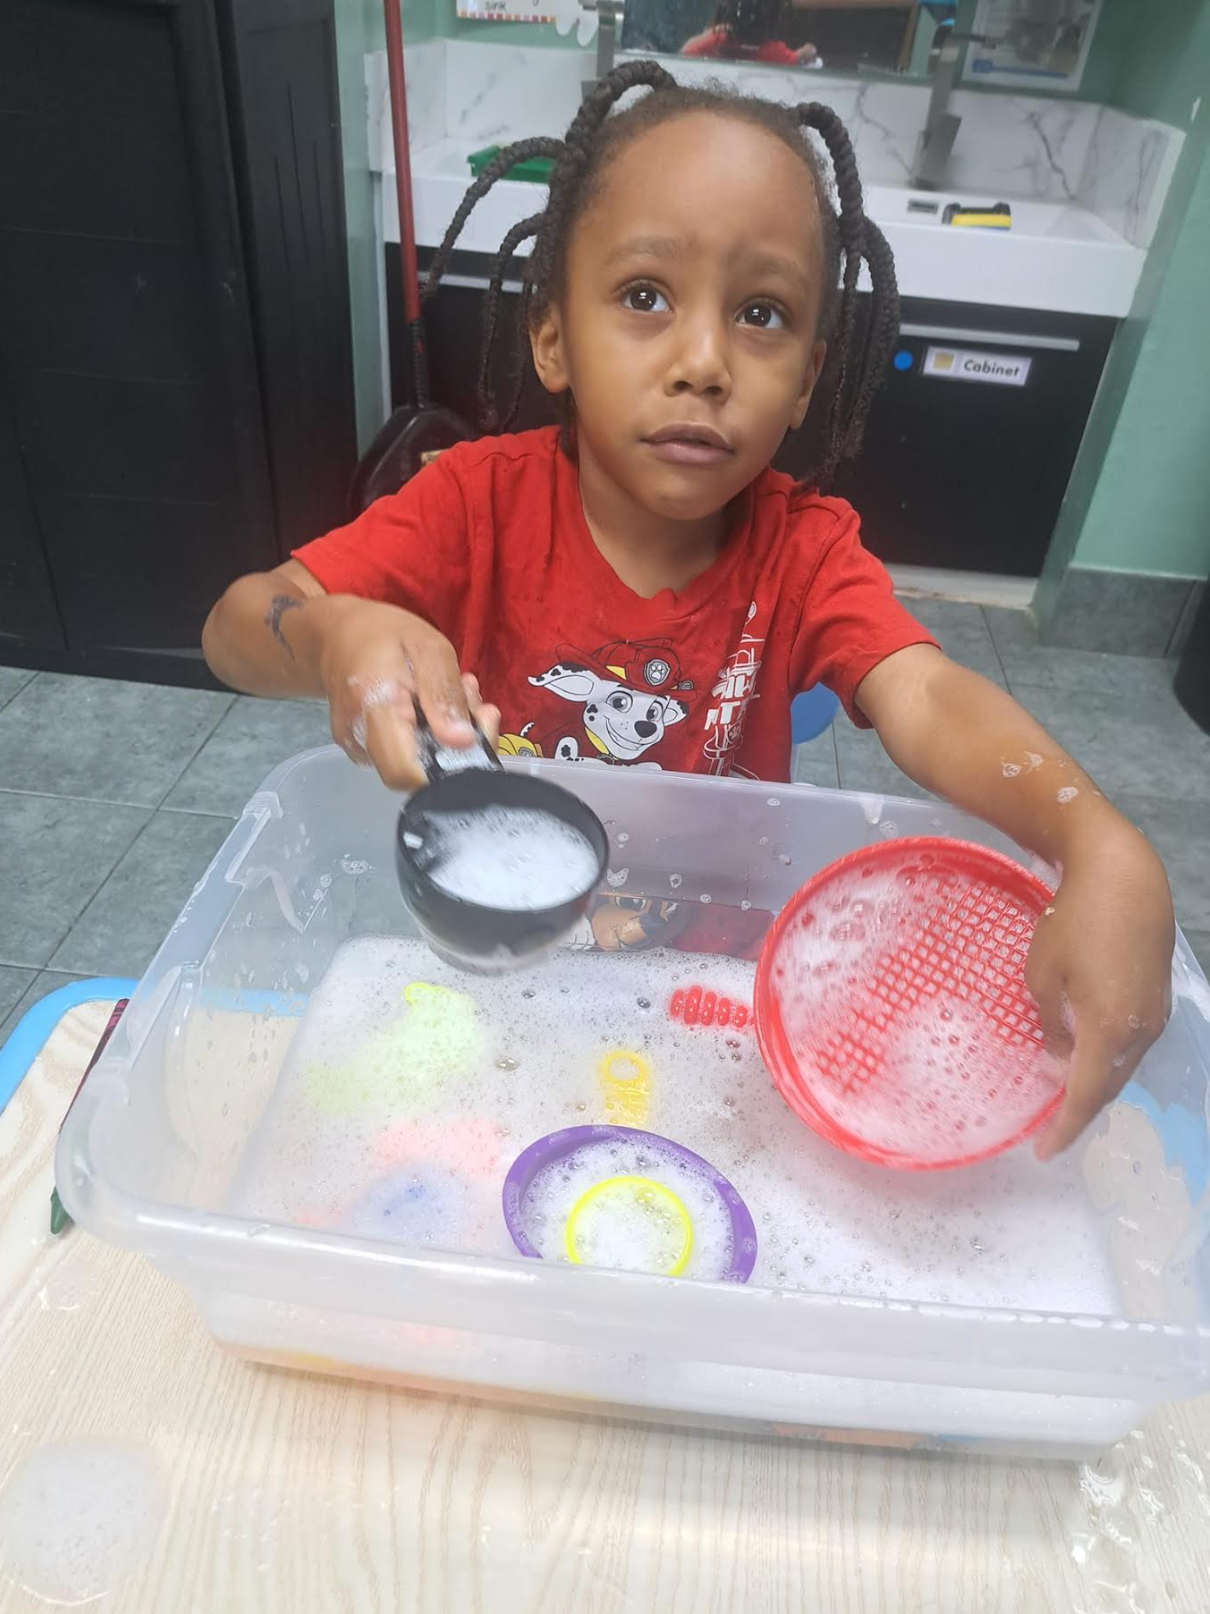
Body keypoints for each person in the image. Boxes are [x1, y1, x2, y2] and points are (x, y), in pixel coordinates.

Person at [203, 61, 1174, 1160]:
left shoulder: (803, 551)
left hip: (706, 997)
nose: (704, 363)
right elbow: (240, 626)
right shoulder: (471, 506)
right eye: (645, 297)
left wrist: (1096, 841)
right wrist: (335, 634)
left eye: (761, 315)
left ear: (808, 378)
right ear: (553, 335)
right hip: (486, 976)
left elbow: (930, 695)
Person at [681, 0, 819, 66]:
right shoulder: (774, 52)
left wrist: (711, 33)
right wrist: (807, 51)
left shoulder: (717, 40)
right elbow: (801, 56)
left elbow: (686, 52)